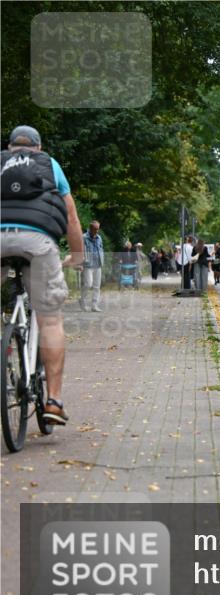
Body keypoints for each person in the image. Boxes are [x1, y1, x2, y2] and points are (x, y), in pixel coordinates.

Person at [0, 125, 85, 425]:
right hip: (37, 241)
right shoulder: (49, 164)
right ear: (38, 147)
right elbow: (71, 216)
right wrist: (77, 255)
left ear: (10, 147)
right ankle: (54, 402)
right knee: (49, 318)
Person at [80, 220, 104, 311]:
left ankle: (94, 305)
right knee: (88, 284)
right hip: (88, 264)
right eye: (95, 229)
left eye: (98, 229)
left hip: (98, 264)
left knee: (97, 286)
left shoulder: (99, 238)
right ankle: (83, 301)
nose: (97, 231)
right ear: (90, 228)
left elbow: (101, 249)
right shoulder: (84, 237)